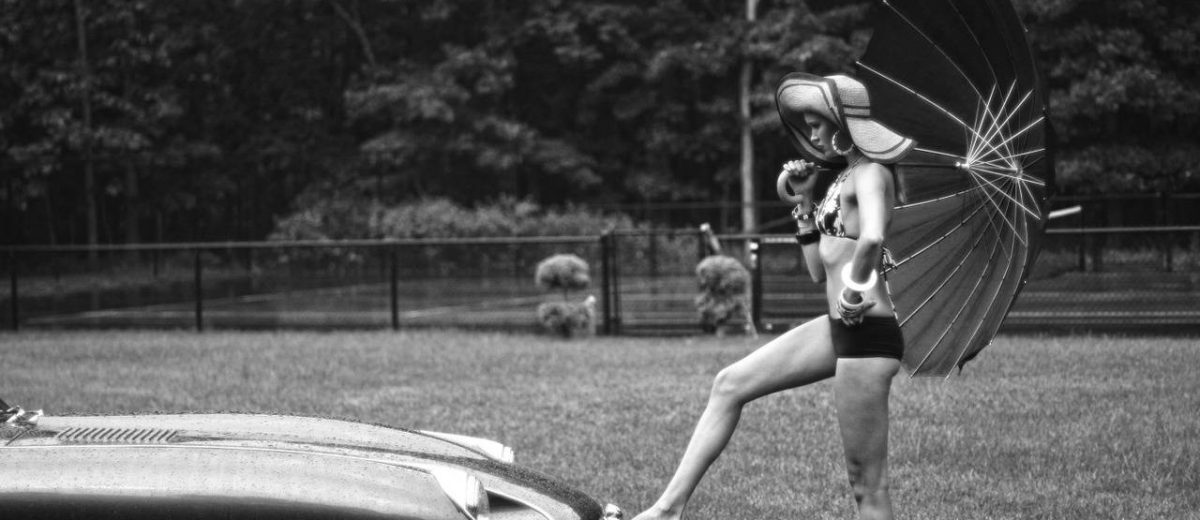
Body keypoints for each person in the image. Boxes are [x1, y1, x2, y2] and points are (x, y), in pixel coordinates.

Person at [631, 73, 916, 520]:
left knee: (866, 485)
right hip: (838, 327)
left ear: (843, 123)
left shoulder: (872, 173)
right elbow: (817, 271)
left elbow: (873, 237)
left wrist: (855, 290)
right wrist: (803, 206)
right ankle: (668, 510)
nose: (813, 135)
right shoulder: (844, 176)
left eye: (817, 124)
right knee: (730, 384)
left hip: (867, 335)